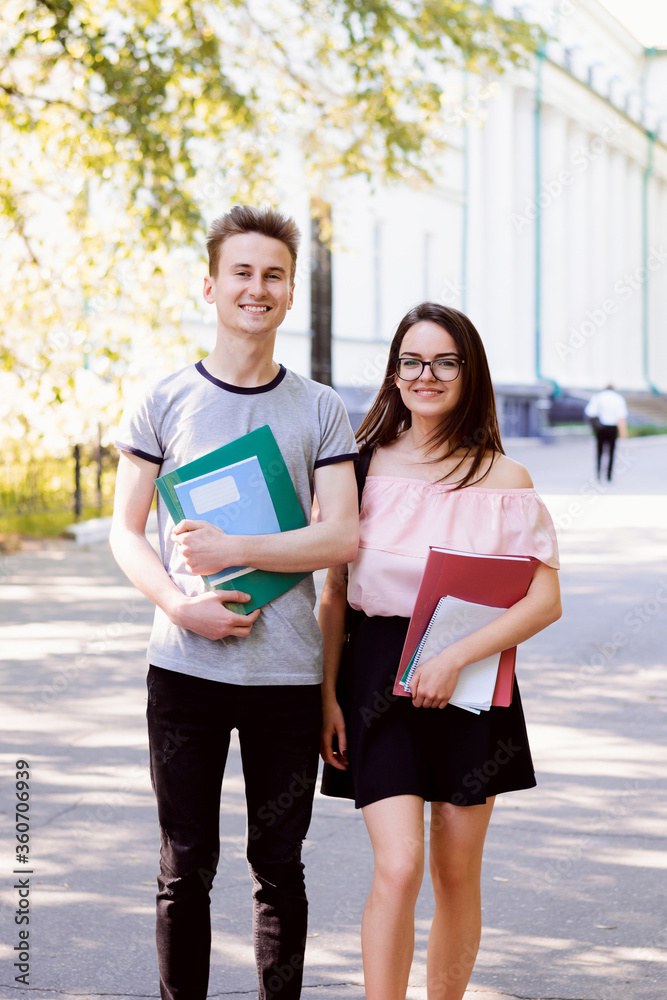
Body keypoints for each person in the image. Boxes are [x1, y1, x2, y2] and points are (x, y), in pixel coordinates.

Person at [109, 205, 359, 1000]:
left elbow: (341, 537)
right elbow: (125, 531)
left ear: (290, 294)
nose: (258, 288)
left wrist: (234, 552)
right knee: (184, 868)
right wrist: (182, 608)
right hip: (183, 672)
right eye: (243, 273)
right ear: (210, 286)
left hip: (286, 677)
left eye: (274, 275)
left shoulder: (320, 408)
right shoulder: (164, 400)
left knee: (278, 869)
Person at [318, 302, 561, 1000]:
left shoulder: (503, 479)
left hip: (473, 674)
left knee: (457, 873)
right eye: (412, 361)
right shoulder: (357, 468)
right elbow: (332, 595)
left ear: (468, 372)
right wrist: (324, 695)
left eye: (444, 361)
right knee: (398, 865)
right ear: (394, 373)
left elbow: (543, 601)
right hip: (374, 676)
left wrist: (455, 657)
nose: (426, 375)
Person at [584, 385, 628, 482]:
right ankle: (609, 475)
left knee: (599, 451)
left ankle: (598, 473)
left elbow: (590, 412)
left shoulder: (598, 397)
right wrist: (623, 432)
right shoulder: (618, 398)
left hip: (601, 426)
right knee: (611, 452)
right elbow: (621, 417)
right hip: (612, 427)